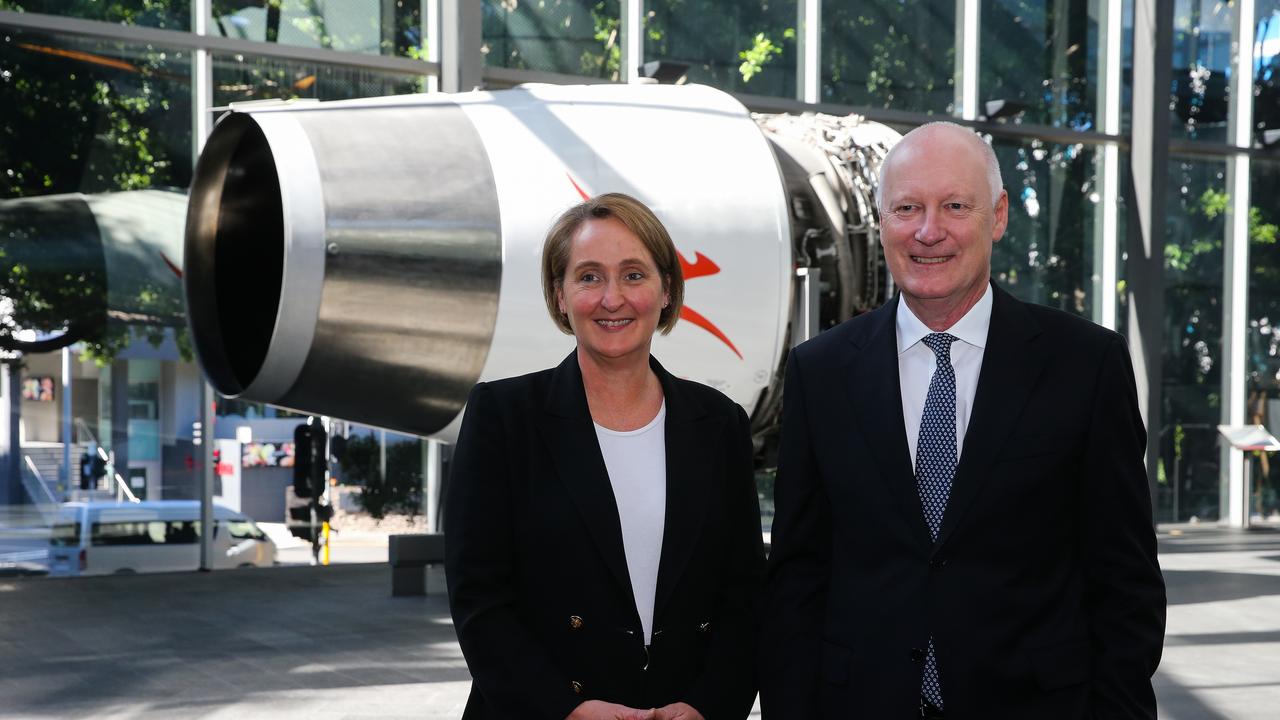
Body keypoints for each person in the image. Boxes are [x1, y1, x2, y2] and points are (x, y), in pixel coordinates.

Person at [759, 122, 1166, 719]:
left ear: (997, 217)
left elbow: (1124, 579)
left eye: (954, 206)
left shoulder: (1086, 366)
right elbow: (797, 578)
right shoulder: (819, 372)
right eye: (907, 208)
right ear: (881, 220)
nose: (929, 231)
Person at [446, 192, 765, 720]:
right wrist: (564, 710)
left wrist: (707, 704)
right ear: (560, 295)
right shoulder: (503, 417)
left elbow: (744, 597)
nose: (612, 298)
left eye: (634, 275)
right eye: (589, 276)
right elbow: (479, 602)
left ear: (666, 290)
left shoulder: (719, 424)